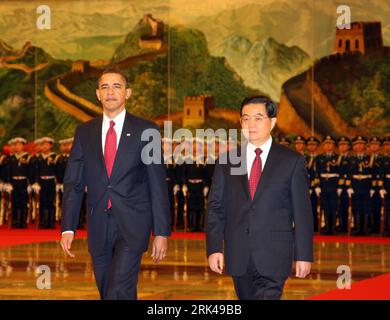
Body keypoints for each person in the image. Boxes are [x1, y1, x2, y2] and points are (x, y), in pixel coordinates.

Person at [60, 67, 171, 300]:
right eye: (105, 87)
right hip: (98, 224)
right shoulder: (84, 132)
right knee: (109, 289)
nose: (110, 92)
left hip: (133, 224)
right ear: (98, 94)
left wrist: (161, 231)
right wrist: (68, 226)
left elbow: (156, 183)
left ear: (127, 93)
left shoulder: (146, 130)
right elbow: (74, 182)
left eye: (117, 86)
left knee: (117, 288)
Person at [206, 95, 313, 300]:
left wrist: (303, 255)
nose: (250, 124)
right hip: (238, 253)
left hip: (274, 254)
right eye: (245, 118)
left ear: (272, 122)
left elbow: (302, 213)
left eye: (258, 118)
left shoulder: (291, 161)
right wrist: (214, 248)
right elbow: (216, 207)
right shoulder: (228, 160)